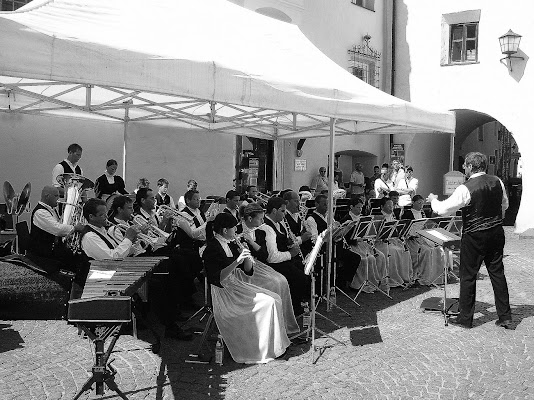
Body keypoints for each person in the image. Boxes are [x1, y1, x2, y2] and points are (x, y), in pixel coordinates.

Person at [80, 198, 192, 340]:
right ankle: (168, 326)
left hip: (115, 271)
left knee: (163, 275)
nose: (106, 217)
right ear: (91, 217)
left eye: (106, 213)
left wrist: (134, 243)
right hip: (102, 278)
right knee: (156, 284)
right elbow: (111, 258)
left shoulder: (102, 231)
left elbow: (119, 252)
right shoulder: (90, 236)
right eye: (102, 215)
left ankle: (167, 318)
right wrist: (128, 238)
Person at [428, 152, 511, 329]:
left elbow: (443, 210)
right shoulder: (497, 181)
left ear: (471, 167)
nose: (464, 169)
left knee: (468, 276)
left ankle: (465, 319)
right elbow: (504, 205)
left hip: (475, 235)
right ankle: (505, 316)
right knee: (497, 273)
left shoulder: (466, 187)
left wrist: (433, 200)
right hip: (496, 232)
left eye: (465, 166)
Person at [202, 213, 295, 363]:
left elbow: (248, 271)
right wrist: (237, 261)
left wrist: (246, 257)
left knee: (275, 298)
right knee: (268, 303)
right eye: (233, 228)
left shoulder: (231, 243)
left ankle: (276, 346)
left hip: (236, 285)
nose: (235, 231)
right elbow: (217, 278)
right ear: (225, 230)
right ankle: (261, 349)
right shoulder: (211, 249)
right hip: (224, 292)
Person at [238, 203, 300, 335]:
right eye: (260, 218)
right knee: (273, 282)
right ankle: (265, 323)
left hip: (259, 265)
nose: (262, 221)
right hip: (242, 268)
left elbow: (265, 256)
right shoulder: (237, 230)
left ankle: (280, 324)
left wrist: (252, 243)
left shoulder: (261, 231)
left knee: (281, 281)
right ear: (250, 219)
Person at [257, 196, 309, 314]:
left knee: (304, 270)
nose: (284, 214)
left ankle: (297, 302)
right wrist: (290, 254)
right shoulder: (267, 227)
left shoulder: (279, 223)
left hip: (284, 259)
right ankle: (293, 309)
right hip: (273, 264)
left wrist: (290, 243)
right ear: (274, 210)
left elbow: (283, 241)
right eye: (282, 211)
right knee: (299, 278)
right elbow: (272, 256)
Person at [27, 186, 85, 274]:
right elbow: (57, 229)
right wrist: (75, 228)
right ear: (47, 196)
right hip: (44, 252)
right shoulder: (40, 212)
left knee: (79, 256)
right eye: (56, 196)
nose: (58, 199)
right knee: (76, 260)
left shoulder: (51, 210)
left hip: (53, 248)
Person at [340, 197, 386, 293]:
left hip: (364, 244)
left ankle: (376, 282)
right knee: (368, 259)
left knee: (380, 256)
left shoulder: (363, 217)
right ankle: (359, 284)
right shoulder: (346, 219)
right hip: (353, 245)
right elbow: (345, 238)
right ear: (351, 207)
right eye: (358, 207)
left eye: (361, 207)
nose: (360, 210)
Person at [402, 195, 444, 286]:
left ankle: (433, 275)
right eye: (419, 203)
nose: (421, 205)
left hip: (422, 237)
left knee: (437, 248)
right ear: (413, 203)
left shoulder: (423, 212)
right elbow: (406, 228)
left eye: (422, 203)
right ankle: (419, 276)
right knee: (426, 251)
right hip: (412, 239)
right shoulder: (407, 213)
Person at [374, 197, 412, 287]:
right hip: (381, 242)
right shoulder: (378, 216)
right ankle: (392, 279)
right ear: (382, 206)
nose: (391, 207)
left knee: (405, 251)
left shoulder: (393, 215)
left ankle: (404, 277)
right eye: (389, 205)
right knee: (393, 252)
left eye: (392, 205)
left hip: (393, 240)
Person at [282, 190, 313, 257]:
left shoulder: (299, 215)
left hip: (303, 252)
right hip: (292, 254)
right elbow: (287, 241)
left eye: (299, 201)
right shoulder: (283, 217)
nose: (299, 204)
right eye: (296, 201)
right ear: (287, 202)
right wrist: (302, 238)